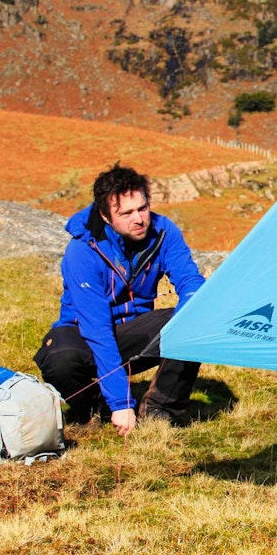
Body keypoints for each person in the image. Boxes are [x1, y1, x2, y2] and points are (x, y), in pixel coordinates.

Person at [34, 164, 205, 435]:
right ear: (105, 215)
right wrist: (120, 402)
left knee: (196, 314)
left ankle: (159, 410)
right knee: (59, 359)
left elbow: (190, 281)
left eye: (142, 208)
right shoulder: (82, 251)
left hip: (134, 334)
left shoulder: (164, 233)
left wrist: (190, 317)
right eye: (126, 213)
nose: (138, 219)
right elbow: (97, 330)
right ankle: (93, 409)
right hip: (85, 336)